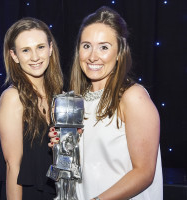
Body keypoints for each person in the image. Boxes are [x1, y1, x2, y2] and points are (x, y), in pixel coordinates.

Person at [49, 6, 163, 200]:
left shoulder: (132, 97)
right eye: (86, 46)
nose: (93, 56)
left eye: (104, 47)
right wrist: (62, 147)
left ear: (119, 52)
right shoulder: (77, 100)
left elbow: (144, 173)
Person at [0, 17, 63, 200]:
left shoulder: (60, 94)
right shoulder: (13, 98)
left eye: (40, 47)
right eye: (25, 50)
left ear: (50, 48)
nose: (35, 57)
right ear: (14, 56)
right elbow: (12, 166)